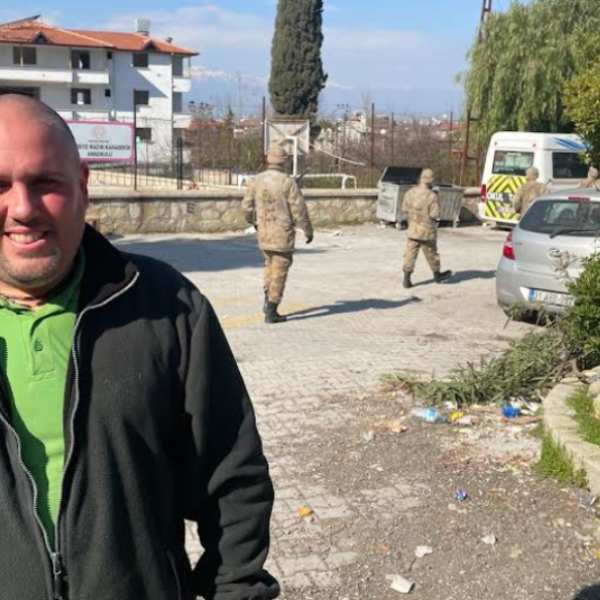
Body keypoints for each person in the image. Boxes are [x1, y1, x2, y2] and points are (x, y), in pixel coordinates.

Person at [0, 94, 279, 600]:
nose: (22, 208)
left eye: (45, 183)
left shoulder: (167, 306)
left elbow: (233, 481)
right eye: (0, 186)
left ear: (83, 186)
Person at [242, 143, 313, 324]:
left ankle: (267, 301)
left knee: (269, 266)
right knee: (280, 270)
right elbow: (299, 210)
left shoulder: (257, 180)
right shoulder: (287, 182)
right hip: (282, 234)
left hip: (264, 232)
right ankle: (272, 310)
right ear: (284, 161)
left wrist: (253, 221)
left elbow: (246, 207)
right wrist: (308, 230)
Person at [402, 169, 452, 289]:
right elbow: (435, 214)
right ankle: (437, 274)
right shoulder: (431, 196)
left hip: (412, 229)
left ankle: (406, 279)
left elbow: (404, 209)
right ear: (431, 181)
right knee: (431, 253)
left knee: (410, 254)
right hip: (426, 230)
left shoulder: (410, 192)